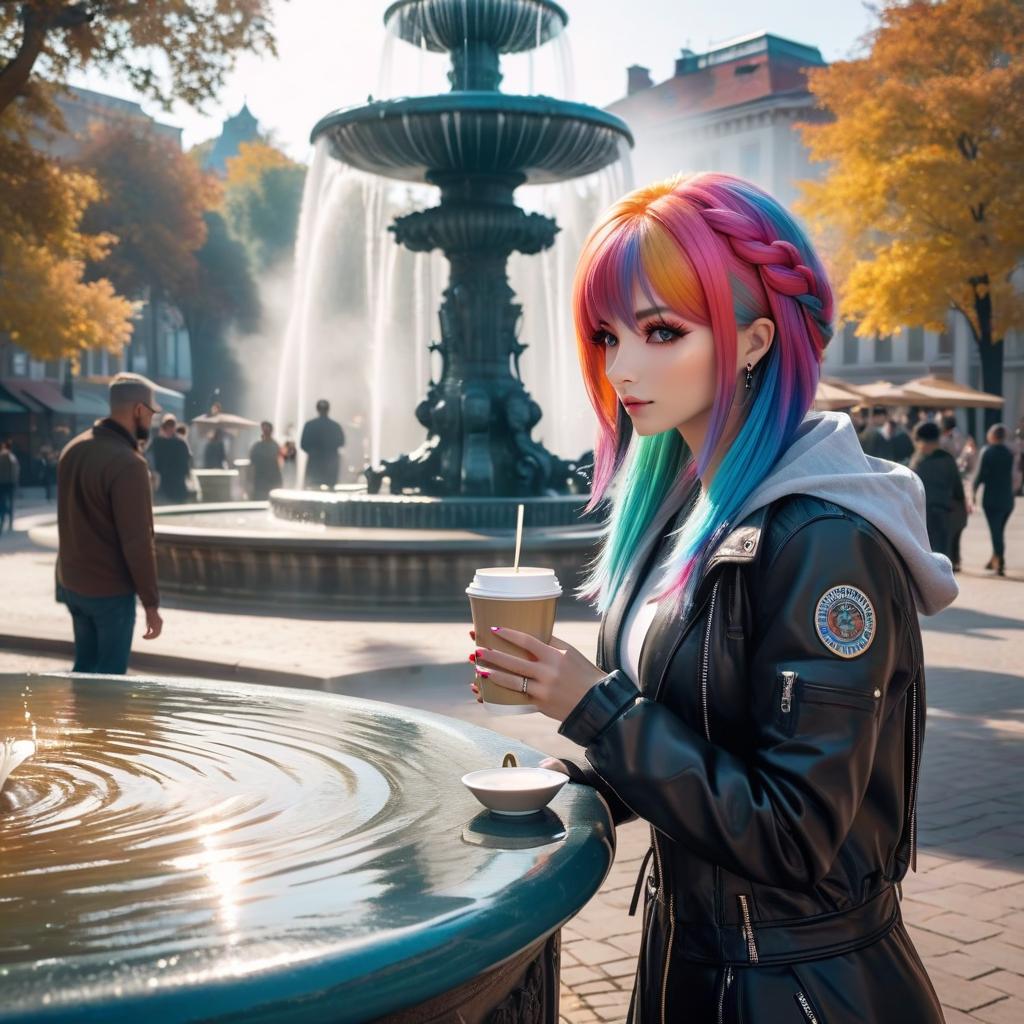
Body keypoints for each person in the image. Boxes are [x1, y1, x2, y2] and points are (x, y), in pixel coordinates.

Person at [468, 174, 956, 1022]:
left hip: (797, 990)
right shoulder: (681, 511)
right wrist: (576, 779)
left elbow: (793, 833)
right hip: (691, 967)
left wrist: (596, 708)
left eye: (661, 331)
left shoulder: (823, 542)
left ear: (758, 338)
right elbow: (707, 734)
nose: (621, 366)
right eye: (606, 334)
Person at [56, 372, 164, 673]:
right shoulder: (129, 463)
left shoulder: (73, 449)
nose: (152, 420)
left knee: (84, 671)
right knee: (110, 684)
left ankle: (77, 721)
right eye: (152, 411)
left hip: (73, 583)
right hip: (109, 589)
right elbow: (137, 540)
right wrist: (151, 603)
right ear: (139, 410)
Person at [909, 420, 964, 561]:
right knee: (941, 557)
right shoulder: (948, 459)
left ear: (920, 440)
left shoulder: (917, 461)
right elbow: (958, 489)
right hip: (943, 513)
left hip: (922, 515)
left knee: (925, 557)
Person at [973, 423, 1015, 576]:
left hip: (992, 499)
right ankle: (994, 558)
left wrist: (973, 492)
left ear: (992, 436)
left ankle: (1000, 560)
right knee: (999, 530)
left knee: (995, 531)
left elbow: (980, 475)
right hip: (1008, 499)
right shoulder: (1009, 453)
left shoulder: (987, 452)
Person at [300, 399, 346, 488]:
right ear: (328, 409)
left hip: (314, 464)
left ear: (317, 409)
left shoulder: (309, 425)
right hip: (330, 465)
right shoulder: (335, 426)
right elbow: (341, 442)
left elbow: (303, 444)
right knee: (330, 492)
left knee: (313, 490)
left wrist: (314, 452)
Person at [148, 414, 192, 504]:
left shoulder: (157, 442)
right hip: (174, 484)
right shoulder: (181, 442)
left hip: (166, 484)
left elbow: (148, 458)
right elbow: (188, 460)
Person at [249, 421, 283, 500]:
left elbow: (252, 460)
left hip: (266, 480)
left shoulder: (258, 446)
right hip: (265, 480)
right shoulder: (274, 446)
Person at [0, 439, 18, 534]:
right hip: (10, 483)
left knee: (2, 503)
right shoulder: (12, 457)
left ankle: (2, 521)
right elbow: (15, 472)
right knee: (10, 503)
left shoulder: (1, 456)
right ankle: (10, 522)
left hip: (2, 483)